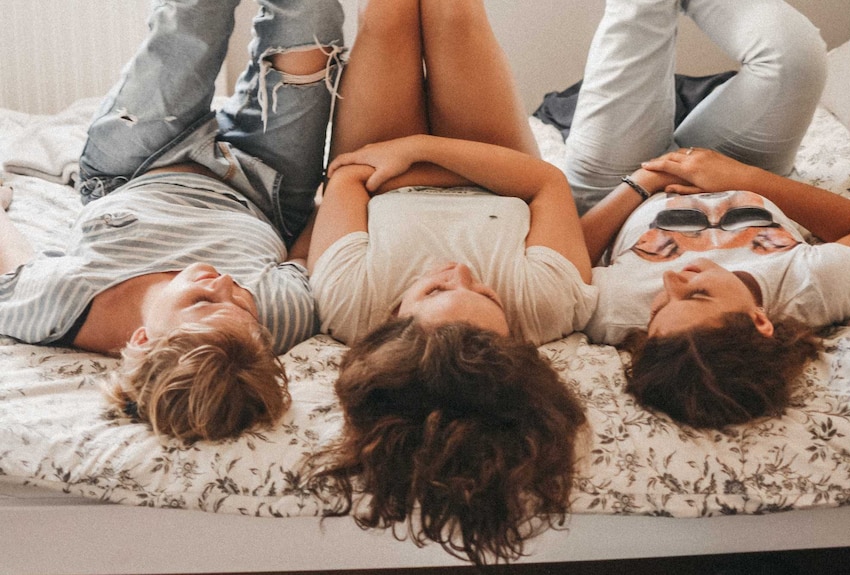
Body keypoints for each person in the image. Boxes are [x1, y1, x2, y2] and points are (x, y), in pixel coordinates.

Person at [306, 0, 594, 565]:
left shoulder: (350, 303)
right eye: (486, 294)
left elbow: (345, 180)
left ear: (393, 322)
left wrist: (402, 157)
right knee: (453, 12)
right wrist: (422, 149)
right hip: (493, 160)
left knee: (388, 16)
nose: (460, 272)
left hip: (416, 170)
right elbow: (545, 185)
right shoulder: (547, 306)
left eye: (435, 291)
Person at [0, 0, 345, 442]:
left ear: (142, 340)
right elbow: (308, 246)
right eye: (243, 304)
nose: (224, 284)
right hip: (265, 185)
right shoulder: (275, 318)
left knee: (196, 16)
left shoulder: (62, 306)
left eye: (202, 300)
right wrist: (338, 185)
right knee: (312, 17)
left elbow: (12, 267)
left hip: (137, 164)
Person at [564, 0, 850, 428]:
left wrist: (642, 182)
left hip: (621, 185)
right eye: (699, 294)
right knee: (797, 58)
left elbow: (562, 253)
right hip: (735, 166)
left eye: (660, 306)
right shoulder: (808, 289)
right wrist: (743, 176)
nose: (672, 281)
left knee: (639, 7)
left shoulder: (620, 314)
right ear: (760, 321)